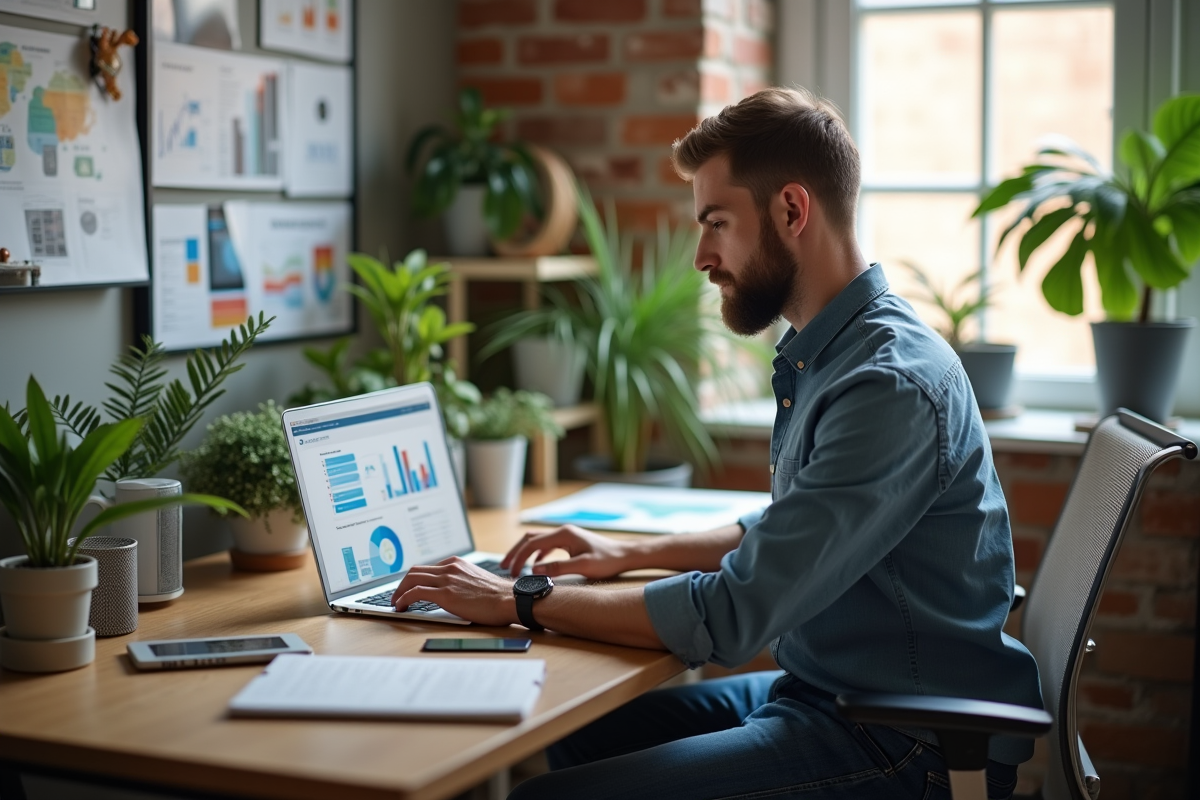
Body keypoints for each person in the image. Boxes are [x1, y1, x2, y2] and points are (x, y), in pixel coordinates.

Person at [391, 87, 1043, 800]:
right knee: (576, 727)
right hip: (828, 693)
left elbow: (732, 613)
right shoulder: (831, 354)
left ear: (791, 210)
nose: (701, 255)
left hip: (906, 741)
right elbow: (790, 526)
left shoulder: (886, 384)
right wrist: (626, 555)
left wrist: (521, 597)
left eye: (716, 222)